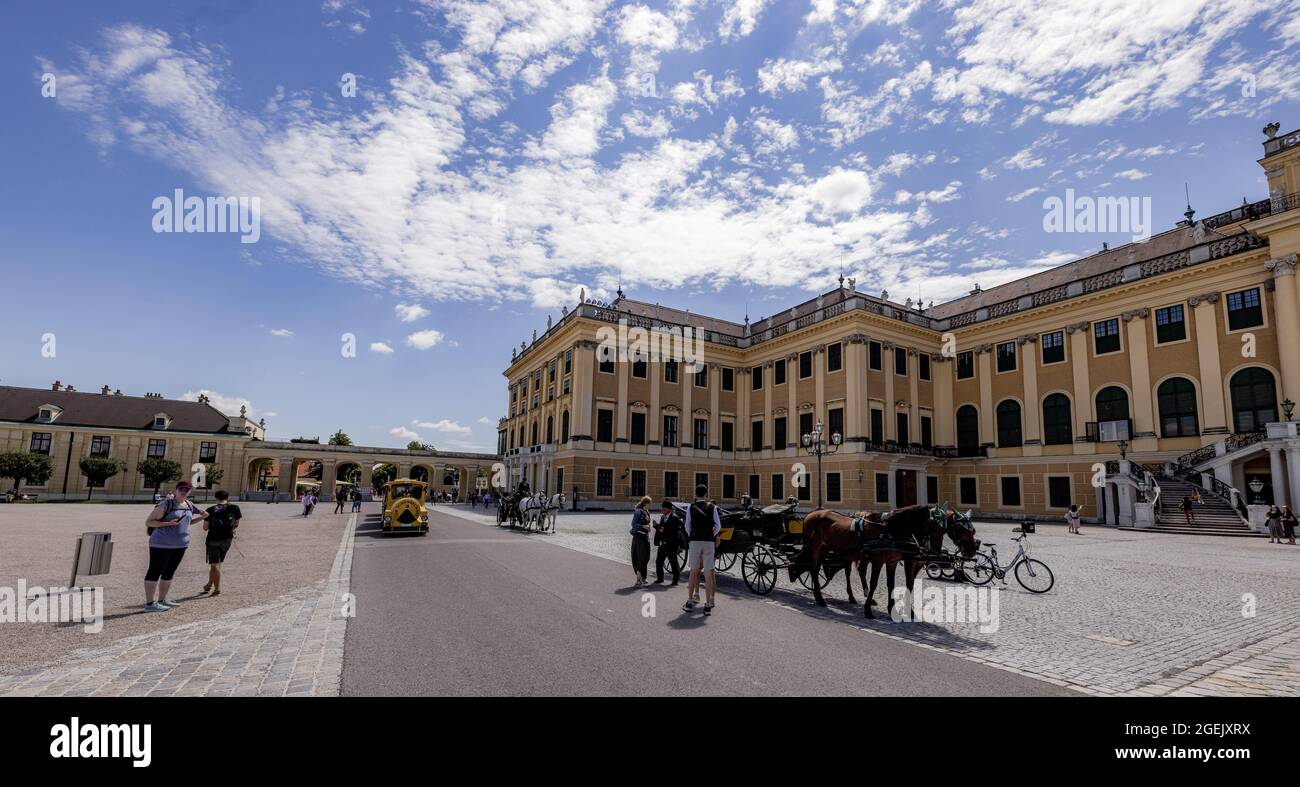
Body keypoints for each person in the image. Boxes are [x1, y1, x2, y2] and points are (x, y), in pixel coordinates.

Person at [143, 481, 207, 611]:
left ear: (190, 491)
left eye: (187, 489)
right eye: (181, 489)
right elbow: (149, 522)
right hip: (161, 544)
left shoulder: (189, 504)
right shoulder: (166, 504)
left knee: (169, 572)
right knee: (154, 571)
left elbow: (187, 522)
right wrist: (167, 524)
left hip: (180, 545)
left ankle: (162, 600)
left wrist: (202, 517)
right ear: (176, 490)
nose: (184, 491)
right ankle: (150, 604)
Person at [682, 484, 722, 616]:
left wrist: (693, 535)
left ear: (695, 494)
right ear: (706, 494)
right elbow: (718, 525)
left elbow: (687, 525)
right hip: (709, 542)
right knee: (709, 573)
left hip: (695, 541)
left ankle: (689, 601)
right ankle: (708, 604)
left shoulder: (690, 507)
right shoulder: (712, 507)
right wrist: (712, 534)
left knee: (694, 571)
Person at [202, 490, 241, 596]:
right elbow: (236, 523)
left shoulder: (210, 510)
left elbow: (205, 528)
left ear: (216, 498)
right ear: (227, 497)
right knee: (216, 564)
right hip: (227, 539)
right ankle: (209, 584)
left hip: (213, 539)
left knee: (215, 565)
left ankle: (217, 588)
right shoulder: (235, 508)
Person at [653, 499, 682, 585]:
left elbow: (669, 531)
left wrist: (657, 526)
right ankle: (660, 578)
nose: (662, 509)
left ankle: (675, 580)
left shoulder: (674, 518)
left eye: (663, 508)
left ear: (669, 509)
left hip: (671, 544)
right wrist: (657, 527)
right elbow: (662, 529)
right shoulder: (663, 517)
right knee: (659, 561)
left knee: (673, 562)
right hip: (662, 544)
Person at [629, 496, 652, 587]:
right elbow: (634, 524)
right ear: (646, 503)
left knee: (646, 557)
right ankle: (638, 579)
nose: (651, 505)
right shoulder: (638, 511)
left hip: (645, 536)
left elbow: (646, 523)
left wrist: (648, 528)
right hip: (639, 537)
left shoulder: (647, 512)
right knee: (641, 557)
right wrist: (643, 527)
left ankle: (643, 577)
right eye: (650, 503)